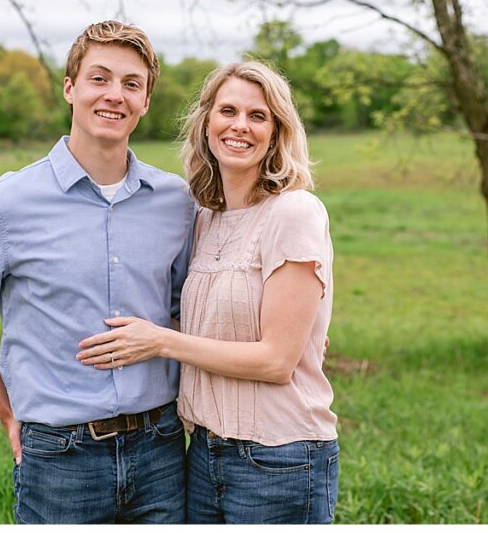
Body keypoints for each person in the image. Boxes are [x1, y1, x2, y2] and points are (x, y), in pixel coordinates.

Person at [0, 21, 196, 524]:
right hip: (60, 458)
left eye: (131, 84)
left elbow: (187, 309)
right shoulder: (6, 205)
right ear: (70, 88)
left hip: (161, 449)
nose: (114, 95)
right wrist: (7, 411)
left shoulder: (176, 202)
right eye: (99, 78)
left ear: (145, 101)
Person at [77, 60, 339, 524]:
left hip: (278, 458)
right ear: (206, 122)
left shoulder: (294, 212)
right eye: (228, 111)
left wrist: (160, 341)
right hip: (203, 452)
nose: (240, 126)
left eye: (258, 116)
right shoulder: (204, 218)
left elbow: (277, 362)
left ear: (277, 133)